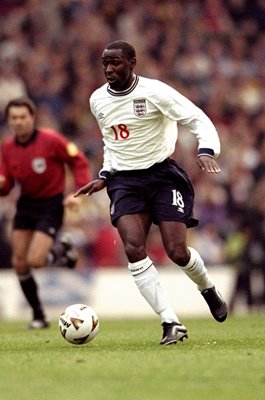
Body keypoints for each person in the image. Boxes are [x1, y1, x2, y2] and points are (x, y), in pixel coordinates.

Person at [74, 40, 228, 345]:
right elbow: (112, 143)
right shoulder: (98, 100)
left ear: (133, 62)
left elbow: (196, 117)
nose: (109, 69)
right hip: (124, 181)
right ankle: (170, 321)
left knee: (177, 251)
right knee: (133, 248)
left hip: (162, 176)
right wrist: (105, 174)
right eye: (105, 63)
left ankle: (207, 288)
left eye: (115, 63)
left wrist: (207, 149)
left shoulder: (155, 92)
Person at [0, 97, 91, 329]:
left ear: (32, 118)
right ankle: (39, 315)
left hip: (51, 205)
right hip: (26, 205)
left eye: (23, 117)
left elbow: (78, 160)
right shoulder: (7, 147)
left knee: (35, 261)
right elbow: (7, 185)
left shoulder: (50, 140)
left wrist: (78, 193)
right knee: (20, 263)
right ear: (9, 121)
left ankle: (60, 251)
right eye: (14, 118)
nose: (19, 122)